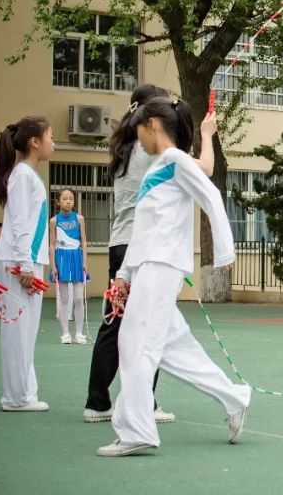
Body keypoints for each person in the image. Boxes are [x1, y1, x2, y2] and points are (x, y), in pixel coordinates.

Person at [98, 95, 249, 457]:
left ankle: (136, 430)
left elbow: (211, 196)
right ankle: (234, 397)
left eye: (138, 132)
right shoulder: (159, 166)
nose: (137, 140)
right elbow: (143, 230)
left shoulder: (176, 160)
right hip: (150, 264)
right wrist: (123, 275)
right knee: (173, 347)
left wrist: (224, 252)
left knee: (135, 344)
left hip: (162, 265)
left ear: (152, 125)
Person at [84, 84, 215, 424]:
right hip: (144, 246)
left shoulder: (125, 147)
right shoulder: (154, 151)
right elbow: (206, 169)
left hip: (120, 244)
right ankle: (144, 403)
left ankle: (98, 402)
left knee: (115, 324)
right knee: (148, 326)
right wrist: (207, 134)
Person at [0, 115, 55, 412]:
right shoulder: (21, 176)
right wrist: (25, 266)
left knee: (27, 331)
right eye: (50, 136)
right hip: (20, 263)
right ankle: (16, 396)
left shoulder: (29, 175)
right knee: (18, 330)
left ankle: (24, 393)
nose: (53, 142)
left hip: (28, 260)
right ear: (35, 142)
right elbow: (17, 223)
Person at [50, 189, 88, 345]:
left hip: (77, 258)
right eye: (64, 199)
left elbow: (84, 241)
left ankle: (79, 333)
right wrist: (53, 266)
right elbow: (51, 244)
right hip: (62, 258)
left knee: (78, 298)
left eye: (71, 199)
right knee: (64, 298)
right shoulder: (54, 221)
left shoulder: (79, 219)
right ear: (58, 201)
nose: (68, 201)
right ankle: (65, 333)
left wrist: (85, 261)